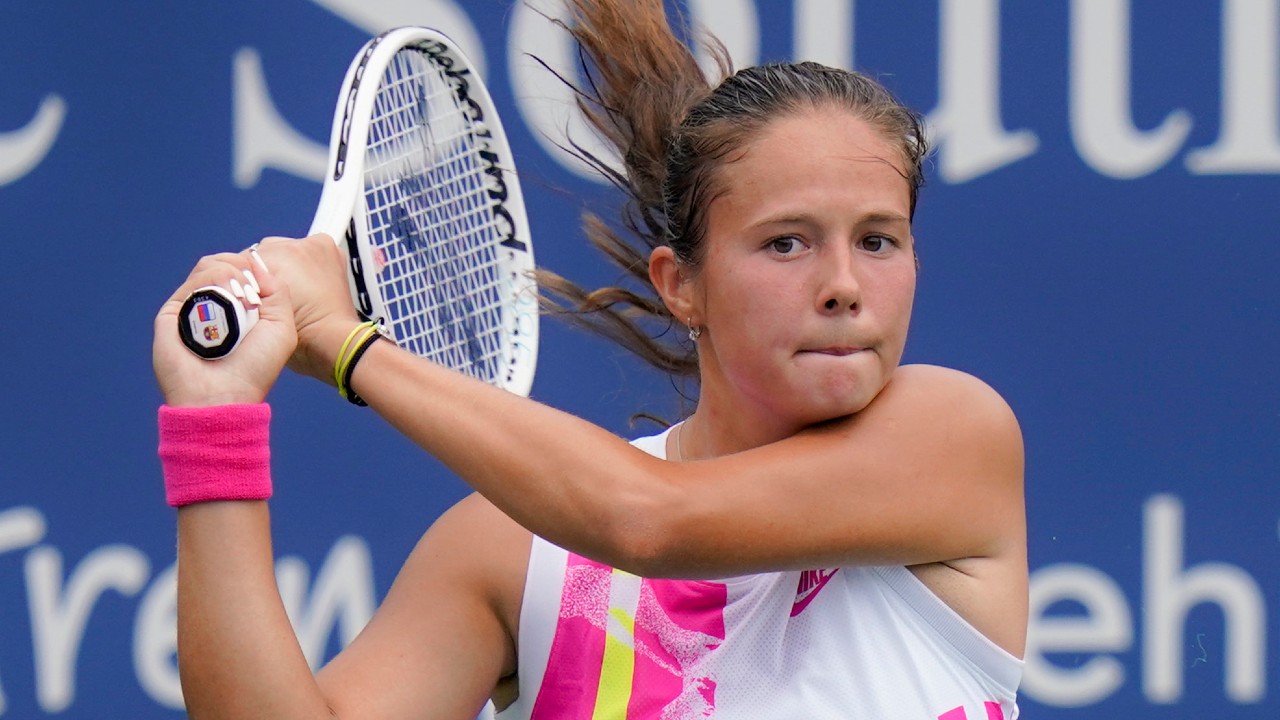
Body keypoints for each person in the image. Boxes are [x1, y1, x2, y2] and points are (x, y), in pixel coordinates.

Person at [152, 1, 1027, 717]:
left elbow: (646, 522)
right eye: (787, 243)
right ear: (681, 285)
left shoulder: (953, 436)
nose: (843, 284)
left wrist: (347, 344)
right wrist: (213, 420)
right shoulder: (508, 551)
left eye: (879, 241)